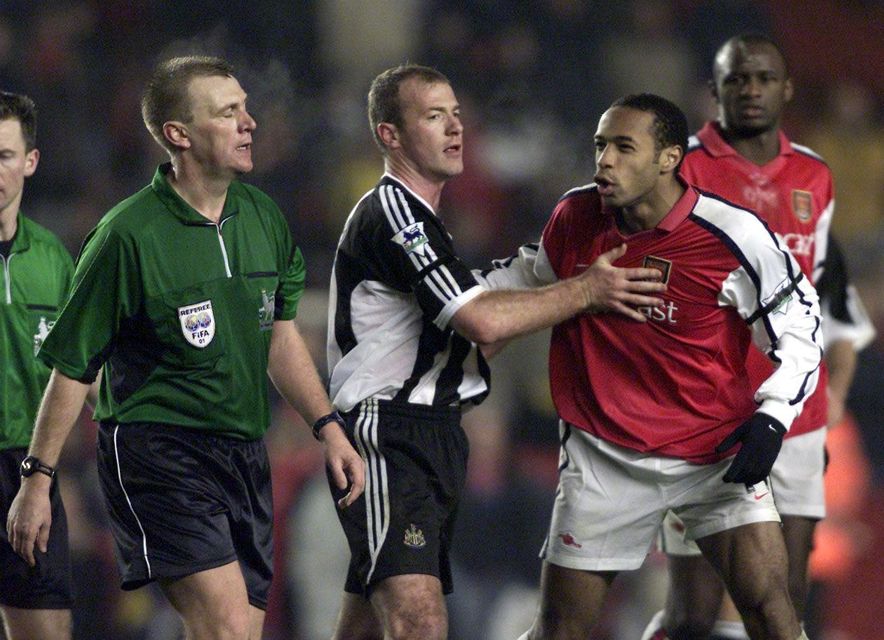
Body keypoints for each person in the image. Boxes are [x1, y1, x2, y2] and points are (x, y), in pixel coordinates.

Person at [6, 56, 365, 640]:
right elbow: (72, 368)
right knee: (223, 628)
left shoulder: (264, 218)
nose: (250, 122)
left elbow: (277, 334)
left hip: (245, 454)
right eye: (229, 112)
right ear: (179, 135)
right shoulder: (127, 235)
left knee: (236, 635)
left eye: (246, 107)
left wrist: (327, 427)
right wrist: (37, 481)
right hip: (159, 451)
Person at [324, 64, 668, 640]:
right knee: (420, 621)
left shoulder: (429, 223)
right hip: (388, 434)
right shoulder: (396, 214)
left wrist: (558, 275)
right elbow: (484, 322)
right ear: (390, 135)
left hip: (433, 432)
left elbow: (487, 327)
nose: (455, 128)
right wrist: (586, 290)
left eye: (457, 114)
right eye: (434, 117)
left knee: (364, 623)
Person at [484, 92, 821, 640]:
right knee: (560, 629)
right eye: (599, 146)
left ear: (668, 158)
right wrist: (453, 307)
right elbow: (523, 285)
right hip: (605, 456)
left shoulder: (733, 235)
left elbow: (803, 329)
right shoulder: (575, 216)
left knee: (771, 613)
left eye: (623, 147)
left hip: (714, 454)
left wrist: (774, 415)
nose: (604, 162)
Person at [640, 33, 876, 640]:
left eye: (764, 78)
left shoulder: (814, 176)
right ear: (713, 90)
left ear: (787, 89)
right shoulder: (679, 169)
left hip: (796, 419)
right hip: (707, 415)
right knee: (694, 607)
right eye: (737, 78)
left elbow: (839, 312)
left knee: (783, 606)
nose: (751, 90)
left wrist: (834, 402)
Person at [0, 91, 75, 640]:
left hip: (28, 475)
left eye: (3, 155)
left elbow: (85, 374)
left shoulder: (55, 259)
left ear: (30, 161)